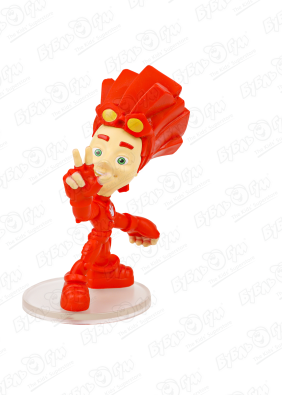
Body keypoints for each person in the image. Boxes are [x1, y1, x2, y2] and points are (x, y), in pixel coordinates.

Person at [61, 65, 190, 311]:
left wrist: (137, 225)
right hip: (92, 251)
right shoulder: (96, 202)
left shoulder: (107, 205)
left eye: (122, 160)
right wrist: (80, 198)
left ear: (136, 171)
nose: (104, 164)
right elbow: (87, 214)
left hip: (103, 252)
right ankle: (75, 280)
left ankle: (103, 271)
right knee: (90, 252)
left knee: (102, 249)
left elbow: (114, 219)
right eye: (98, 150)